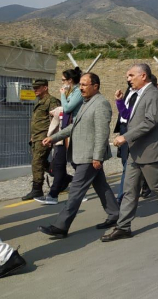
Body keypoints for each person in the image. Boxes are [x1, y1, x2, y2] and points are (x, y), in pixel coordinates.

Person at [102, 64, 158, 242]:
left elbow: (150, 121)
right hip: (137, 150)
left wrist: (125, 137)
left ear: (143, 76)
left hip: (149, 150)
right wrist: (119, 102)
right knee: (129, 189)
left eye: (131, 75)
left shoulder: (153, 94)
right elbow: (128, 116)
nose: (128, 79)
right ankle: (123, 226)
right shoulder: (137, 94)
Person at [38, 73, 120, 238]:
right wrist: (53, 138)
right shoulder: (86, 103)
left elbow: (102, 133)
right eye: (80, 85)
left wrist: (97, 157)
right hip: (83, 154)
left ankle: (61, 226)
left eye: (84, 84)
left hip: (89, 156)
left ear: (95, 86)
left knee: (75, 191)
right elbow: (73, 127)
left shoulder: (101, 104)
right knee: (101, 186)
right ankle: (115, 214)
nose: (80, 88)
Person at [34, 68, 83, 205]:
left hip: (72, 132)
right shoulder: (71, 92)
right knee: (59, 164)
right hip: (65, 132)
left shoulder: (77, 92)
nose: (61, 83)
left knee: (75, 164)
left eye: (63, 80)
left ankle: (59, 193)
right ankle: (54, 194)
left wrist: (62, 96)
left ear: (70, 80)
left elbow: (68, 109)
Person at [22, 79, 61, 201]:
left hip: (44, 137)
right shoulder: (39, 102)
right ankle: (62, 177)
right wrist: (33, 135)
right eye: (34, 88)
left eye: (38, 87)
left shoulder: (51, 101)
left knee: (37, 161)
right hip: (37, 137)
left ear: (45, 87)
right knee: (39, 161)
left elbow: (55, 120)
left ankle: (37, 189)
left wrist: (51, 137)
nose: (35, 90)